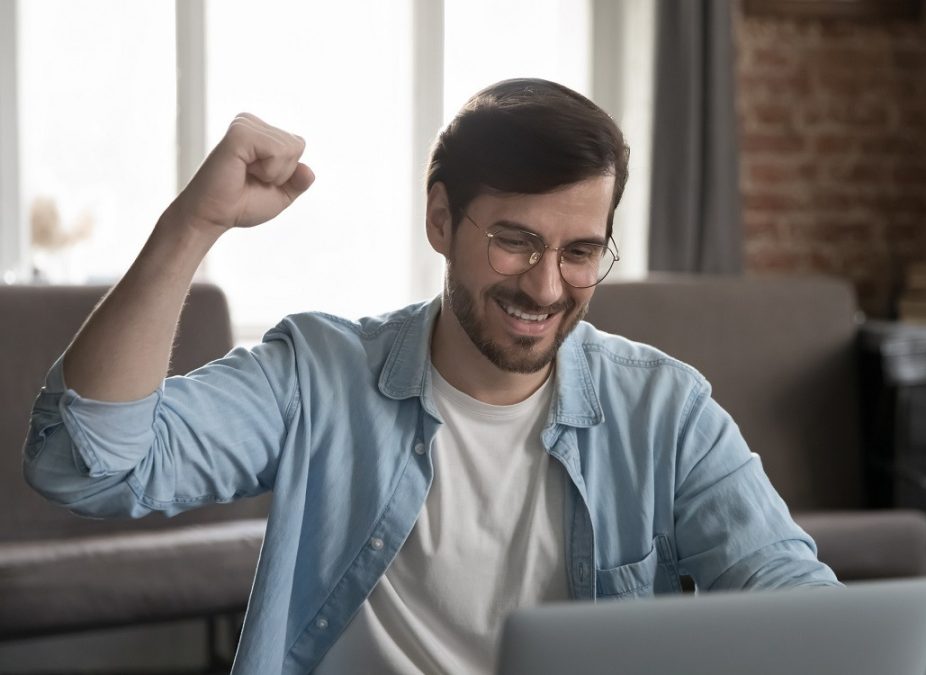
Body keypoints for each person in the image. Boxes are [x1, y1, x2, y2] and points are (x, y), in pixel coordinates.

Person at [23, 78, 839, 675]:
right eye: (515, 239)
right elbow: (90, 462)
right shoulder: (318, 378)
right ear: (441, 220)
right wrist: (192, 223)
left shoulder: (667, 410)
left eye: (580, 251)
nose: (546, 285)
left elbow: (791, 593)